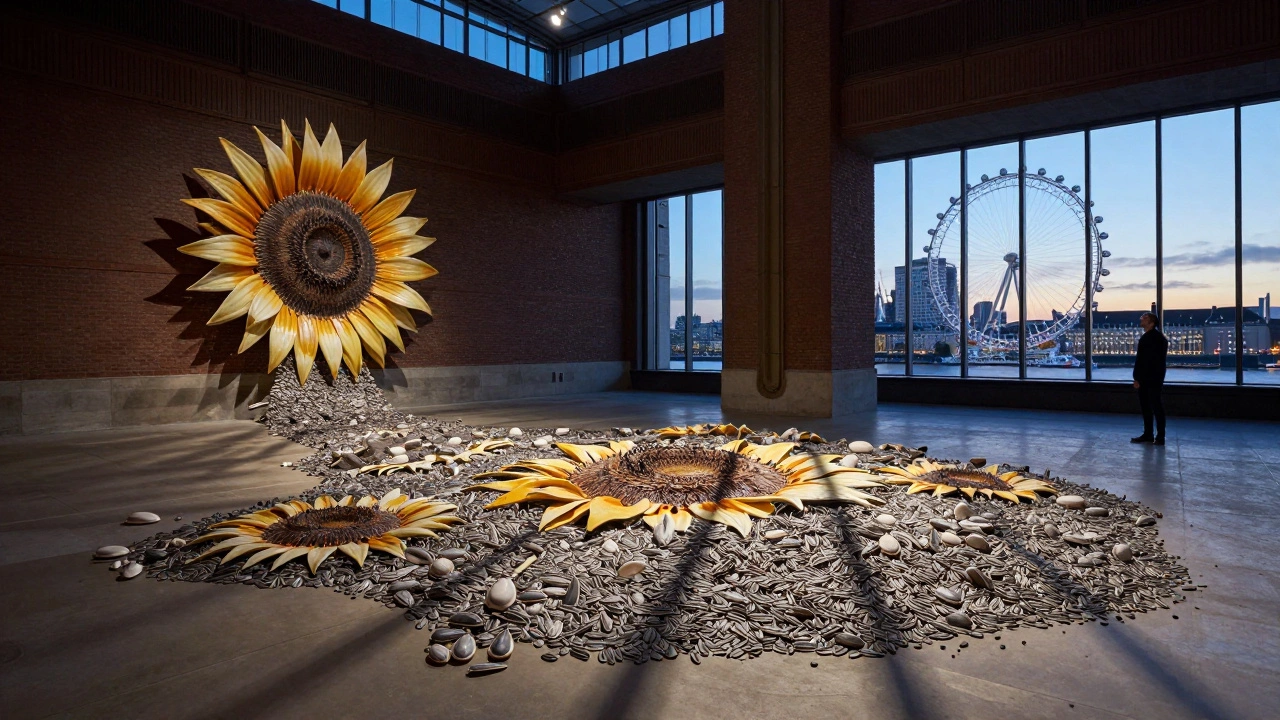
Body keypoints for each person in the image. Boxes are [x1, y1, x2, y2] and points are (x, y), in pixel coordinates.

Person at [1131, 311, 1168, 445]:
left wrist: (1137, 378)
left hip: (1147, 378)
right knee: (1156, 406)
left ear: (1151, 322)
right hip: (1156, 377)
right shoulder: (1160, 338)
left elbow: (1143, 360)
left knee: (1148, 407)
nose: (1141, 319)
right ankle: (1159, 436)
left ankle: (1149, 434)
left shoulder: (1147, 338)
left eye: (1145, 318)